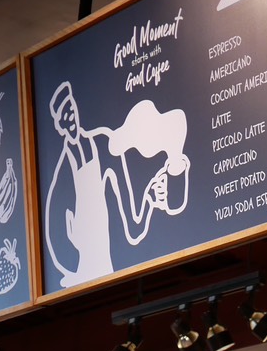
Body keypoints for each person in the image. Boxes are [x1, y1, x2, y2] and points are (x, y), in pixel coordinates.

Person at [44, 81, 191, 288]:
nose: (70, 119)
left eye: (70, 111)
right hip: (80, 277)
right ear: (59, 126)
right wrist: (73, 270)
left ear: (75, 110)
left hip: (106, 268)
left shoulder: (104, 145)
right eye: (63, 117)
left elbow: (134, 226)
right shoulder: (62, 175)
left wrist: (149, 199)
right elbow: (53, 234)